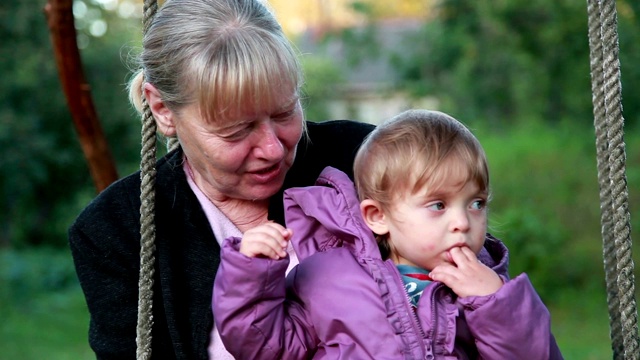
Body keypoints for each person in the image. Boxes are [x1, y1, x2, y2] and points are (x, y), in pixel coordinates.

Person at [67, 0, 375, 358]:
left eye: (284, 112)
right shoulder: (115, 230)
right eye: (236, 131)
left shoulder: (362, 157)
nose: (273, 149)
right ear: (163, 110)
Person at [213, 109, 564, 359]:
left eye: (476, 203)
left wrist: (495, 302)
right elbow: (264, 347)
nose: (462, 222)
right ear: (377, 216)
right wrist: (252, 274)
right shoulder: (327, 278)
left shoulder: (483, 288)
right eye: (438, 205)